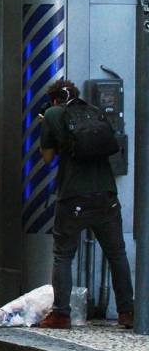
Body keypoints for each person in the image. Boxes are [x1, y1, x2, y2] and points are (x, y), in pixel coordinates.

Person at [36, 79, 134, 329]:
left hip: (74, 197)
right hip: (106, 196)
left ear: (55, 99)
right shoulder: (95, 112)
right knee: (117, 255)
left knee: (63, 255)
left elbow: (47, 158)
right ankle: (127, 312)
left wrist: (46, 128)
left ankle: (61, 314)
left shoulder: (52, 114)